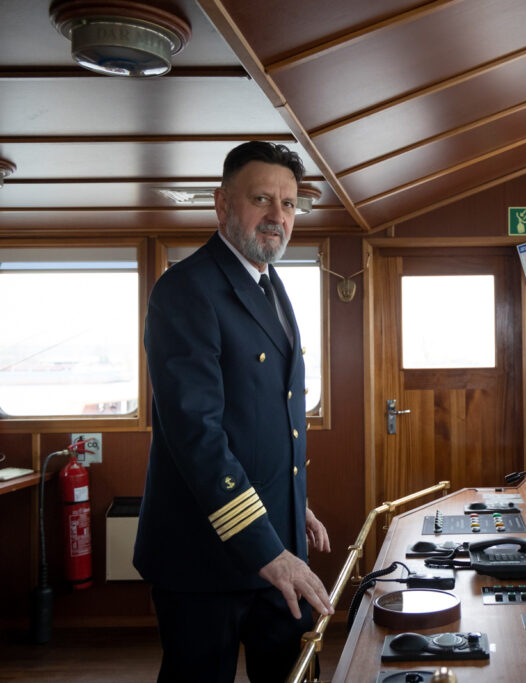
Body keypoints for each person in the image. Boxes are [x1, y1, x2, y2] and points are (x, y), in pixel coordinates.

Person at [134, 141, 334, 683]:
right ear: (222, 204)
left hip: (274, 539)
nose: (278, 216)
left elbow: (266, 417)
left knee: (291, 673)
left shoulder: (271, 285)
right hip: (203, 558)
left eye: (289, 204)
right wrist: (267, 546)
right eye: (261, 199)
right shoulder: (186, 290)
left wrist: (294, 504)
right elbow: (198, 436)